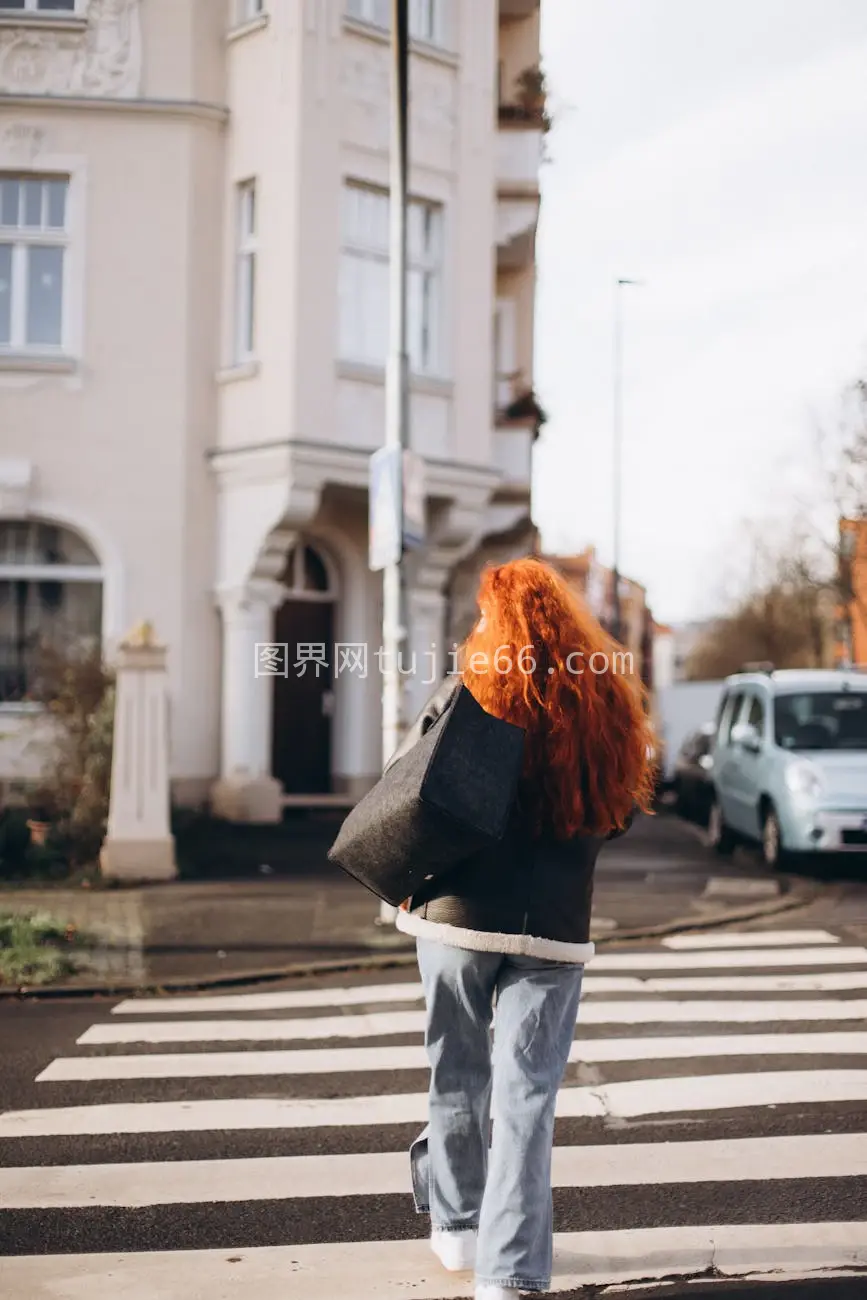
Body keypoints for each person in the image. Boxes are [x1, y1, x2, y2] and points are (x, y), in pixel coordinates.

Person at [388, 557, 655, 1300]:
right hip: (555, 929)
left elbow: (412, 794)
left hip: (457, 918)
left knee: (456, 1077)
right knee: (528, 1099)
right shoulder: (603, 701)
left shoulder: (467, 694)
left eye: (481, 616)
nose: (475, 627)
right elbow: (620, 812)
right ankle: (509, 1274)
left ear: (497, 624)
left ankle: (457, 1229)